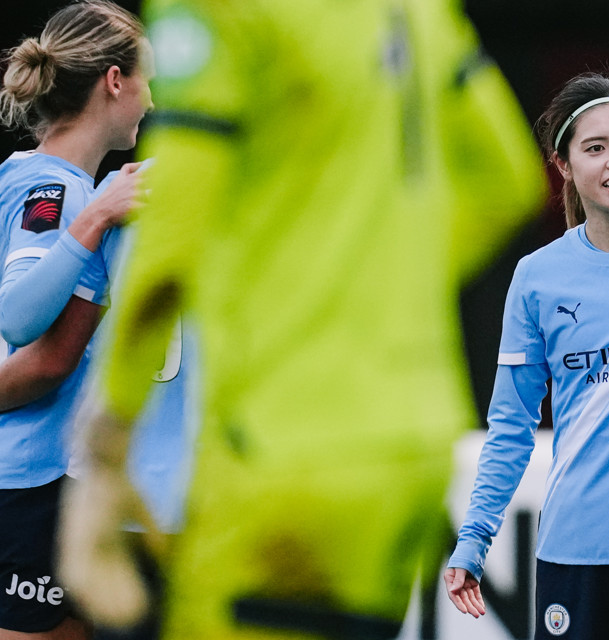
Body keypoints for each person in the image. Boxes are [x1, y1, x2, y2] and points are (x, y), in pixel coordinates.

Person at [56, 1, 547, 639]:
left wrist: (106, 446)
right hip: (415, 446)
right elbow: (506, 179)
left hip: (279, 448)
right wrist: (374, 287)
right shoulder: (420, 9)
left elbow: (169, 242)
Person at [445, 72, 609, 640]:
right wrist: (474, 538)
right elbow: (510, 426)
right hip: (577, 546)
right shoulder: (536, 277)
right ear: (564, 165)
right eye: (595, 148)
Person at [0, 2, 149, 638]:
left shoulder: (33, 178)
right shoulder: (56, 194)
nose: (151, 97)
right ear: (115, 80)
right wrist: (95, 220)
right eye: (146, 77)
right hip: (34, 481)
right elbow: (26, 330)